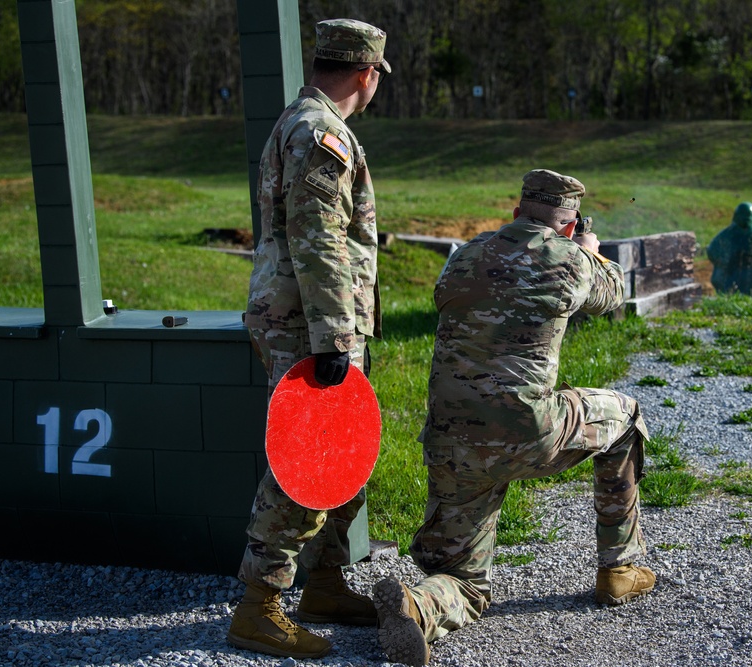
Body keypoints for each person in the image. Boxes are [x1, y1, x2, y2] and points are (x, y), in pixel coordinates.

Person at [372, 169, 655, 666]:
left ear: (516, 211)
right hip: (528, 432)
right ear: (568, 226)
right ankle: (620, 569)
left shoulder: (464, 256)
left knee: (466, 581)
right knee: (626, 418)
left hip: (452, 438)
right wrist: (588, 249)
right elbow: (613, 293)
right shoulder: (571, 258)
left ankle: (419, 607)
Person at [227, 18, 390, 660]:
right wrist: (331, 337)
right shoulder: (321, 133)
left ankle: (323, 581)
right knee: (307, 460)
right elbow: (318, 239)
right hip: (310, 324)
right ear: (365, 74)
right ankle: (259, 606)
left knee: (344, 450)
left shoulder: (305, 123)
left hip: (315, 320)